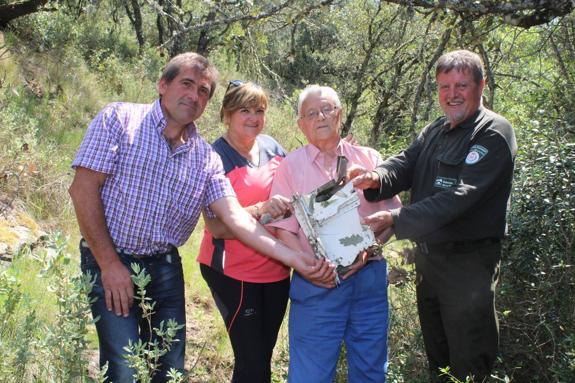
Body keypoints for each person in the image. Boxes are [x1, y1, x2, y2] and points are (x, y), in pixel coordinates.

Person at [69, 52, 335, 383]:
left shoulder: (204, 158)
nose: (194, 96)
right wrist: (109, 265)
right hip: (110, 258)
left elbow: (236, 218)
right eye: (187, 84)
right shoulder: (119, 120)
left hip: (164, 266)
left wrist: (298, 259)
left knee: (169, 370)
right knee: (123, 368)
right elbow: (82, 191)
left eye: (204, 91)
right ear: (163, 85)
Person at [350, 49, 517, 382]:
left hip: (468, 270)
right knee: (438, 364)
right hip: (430, 265)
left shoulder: (493, 133)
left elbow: (459, 198)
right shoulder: (436, 129)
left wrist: (397, 220)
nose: (452, 94)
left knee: (469, 365)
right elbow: (406, 162)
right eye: (444, 86)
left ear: (480, 86)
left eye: (461, 85)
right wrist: (377, 177)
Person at [268, 85, 402, 383]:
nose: (320, 117)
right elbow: (283, 230)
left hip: (369, 280)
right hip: (318, 282)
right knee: (310, 375)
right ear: (301, 125)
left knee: (371, 370)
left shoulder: (369, 158)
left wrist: (370, 249)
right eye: (311, 113)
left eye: (327, 109)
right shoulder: (291, 166)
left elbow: (392, 218)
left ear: (339, 114)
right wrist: (311, 267)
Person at [197, 81, 292, 382]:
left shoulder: (274, 147)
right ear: (227, 114)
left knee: (262, 355)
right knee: (252, 360)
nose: (253, 117)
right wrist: (261, 208)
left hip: (276, 269)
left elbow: (298, 187)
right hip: (232, 272)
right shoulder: (214, 157)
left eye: (260, 110)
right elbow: (216, 227)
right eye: (245, 110)